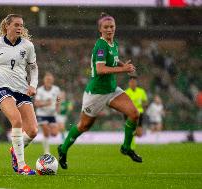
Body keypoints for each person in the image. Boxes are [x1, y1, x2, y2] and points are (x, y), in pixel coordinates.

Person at [58, 12, 142, 170]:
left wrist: (125, 65)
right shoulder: (101, 45)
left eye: (112, 27)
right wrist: (124, 69)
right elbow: (100, 69)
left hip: (111, 90)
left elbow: (115, 60)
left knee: (134, 114)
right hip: (96, 93)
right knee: (84, 126)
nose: (109, 29)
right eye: (106, 27)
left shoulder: (114, 43)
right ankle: (63, 149)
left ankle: (126, 147)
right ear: (100, 30)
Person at [0, 14, 38, 175]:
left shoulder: (28, 46)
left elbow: (33, 68)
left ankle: (15, 150)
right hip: (2, 87)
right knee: (16, 120)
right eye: (17, 25)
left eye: (21, 25)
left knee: (33, 131)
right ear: (7, 26)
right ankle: (21, 166)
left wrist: (33, 85)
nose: (20, 28)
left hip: (22, 89)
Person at [34, 72, 61, 154]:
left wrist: (57, 107)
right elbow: (36, 103)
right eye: (47, 79)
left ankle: (46, 132)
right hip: (42, 114)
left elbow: (58, 99)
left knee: (54, 134)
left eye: (50, 79)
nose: (49, 81)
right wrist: (46, 103)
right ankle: (46, 152)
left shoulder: (56, 89)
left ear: (52, 80)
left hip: (52, 114)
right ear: (44, 80)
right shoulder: (40, 90)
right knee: (46, 130)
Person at [125, 75, 148, 149]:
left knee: (139, 134)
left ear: (136, 83)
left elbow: (145, 102)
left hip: (139, 112)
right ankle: (131, 146)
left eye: (134, 81)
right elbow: (124, 104)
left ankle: (130, 135)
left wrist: (141, 105)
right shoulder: (126, 92)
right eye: (131, 82)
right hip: (130, 113)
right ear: (129, 83)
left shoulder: (141, 91)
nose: (132, 83)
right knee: (131, 129)